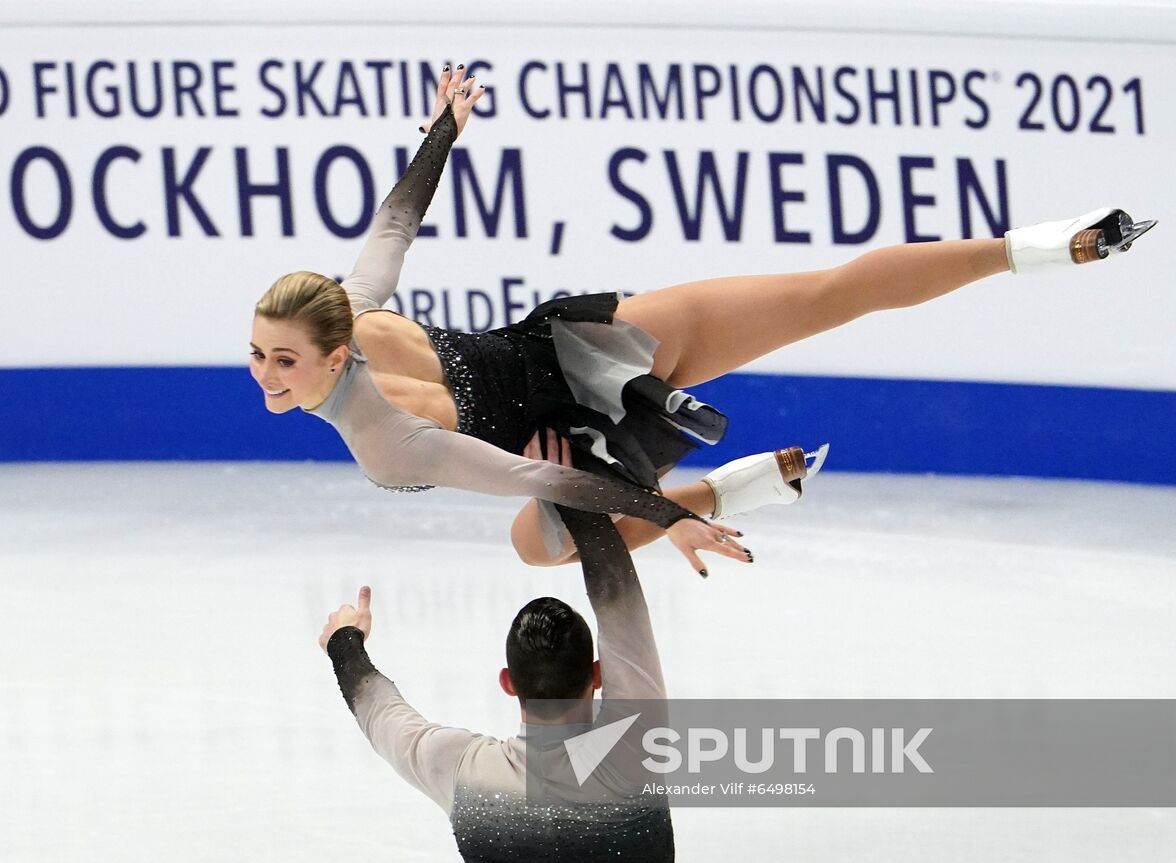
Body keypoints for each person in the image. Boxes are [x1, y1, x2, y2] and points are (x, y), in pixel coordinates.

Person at [249, 64, 1155, 576]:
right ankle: (1035, 246)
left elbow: (551, 478)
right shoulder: (354, 302)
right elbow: (395, 223)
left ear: (333, 356)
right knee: (827, 292)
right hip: (595, 339)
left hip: (572, 432)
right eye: (257, 355)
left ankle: (731, 489)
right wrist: (443, 128)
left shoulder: (381, 438)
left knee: (539, 546)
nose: (264, 374)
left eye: (282, 359)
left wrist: (668, 513)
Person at [319, 503, 678, 863]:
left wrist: (344, 642)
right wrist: (575, 488)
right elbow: (616, 592)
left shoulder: (462, 768)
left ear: (507, 683)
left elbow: (379, 711)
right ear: (598, 675)